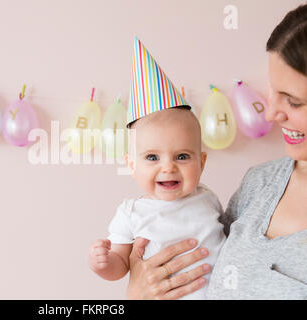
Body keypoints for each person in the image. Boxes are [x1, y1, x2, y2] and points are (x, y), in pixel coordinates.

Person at [126, 4, 307, 300]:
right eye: (274, 92)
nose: (272, 113)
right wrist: (139, 292)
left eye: (294, 102)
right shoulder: (260, 183)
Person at [88, 38, 226, 299]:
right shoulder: (131, 213)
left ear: (202, 163)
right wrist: (103, 264)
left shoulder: (208, 198)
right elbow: (121, 264)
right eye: (152, 157)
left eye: (182, 156)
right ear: (131, 165)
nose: (168, 167)